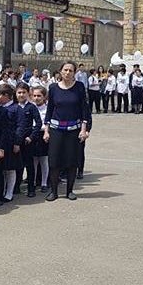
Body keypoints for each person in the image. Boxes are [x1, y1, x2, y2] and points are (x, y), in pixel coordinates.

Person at [43, 62, 89, 201]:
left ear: (74, 72)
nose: (68, 73)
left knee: (71, 161)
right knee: (54, 161)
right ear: (60, 71)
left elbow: (84, 109)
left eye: (71, 70)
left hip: (73, 130)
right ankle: (54, 192)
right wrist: (46, 130)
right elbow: (50, 109)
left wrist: (84, 129)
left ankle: (69, 191)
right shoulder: (53, 88)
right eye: (65, 70)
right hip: (56, 129)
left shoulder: (79, 87)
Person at [0, 83, 27, 202]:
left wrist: (17, 142)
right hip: (1, 142)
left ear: (7, 96)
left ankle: (10, 192)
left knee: (10, 168)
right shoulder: (0, 108)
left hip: (11, 142)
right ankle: (3, 190)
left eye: (1, 95)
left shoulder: (16, 108)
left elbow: (21, 126)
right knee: (2, 168)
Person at [15, 82, 42, 197]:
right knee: (17, 165)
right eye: (19, 92)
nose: (21, 95)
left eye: (24, 92)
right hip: (16, 140)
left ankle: (31, 188)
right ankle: (16, 186)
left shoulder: (31, 107)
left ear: (28, 93)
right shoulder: (14, 107)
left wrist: (31, 137)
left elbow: (38, 123)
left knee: (29, 165)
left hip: (28, 141)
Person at [31, 85, 49, 192]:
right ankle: (32, 182)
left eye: (39, 96)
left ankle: (44, 183)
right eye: (34, 96)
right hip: (33, 135)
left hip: (43, 134)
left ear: (44, 97)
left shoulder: (47, 109)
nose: (36, 98)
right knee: (33, 161)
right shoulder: (31, 107)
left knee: (44, 160)